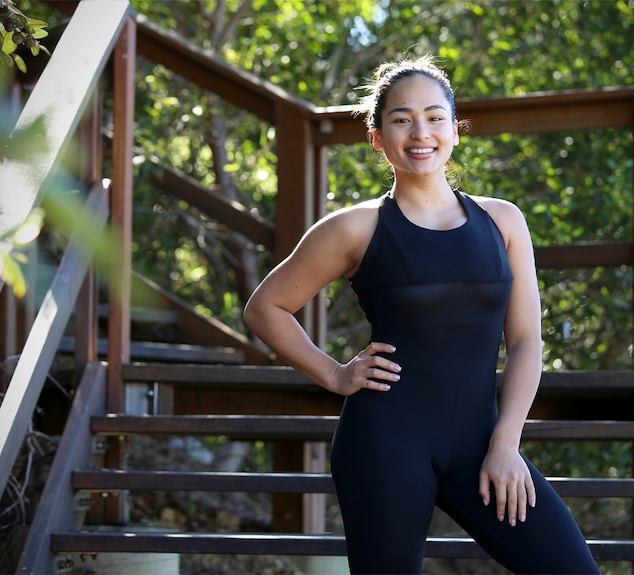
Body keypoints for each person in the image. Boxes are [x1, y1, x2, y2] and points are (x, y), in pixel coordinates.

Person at [244, 55, 599, 575]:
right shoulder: (353, 228)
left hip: (483, 445)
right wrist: (335, 374)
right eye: (401, 118)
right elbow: (265, 307)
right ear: (377, 137)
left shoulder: (503, 221)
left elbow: (525, 341)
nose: (420, 132)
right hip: (385, 441)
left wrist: (506, 444)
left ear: (455, 130)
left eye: (434, 117)